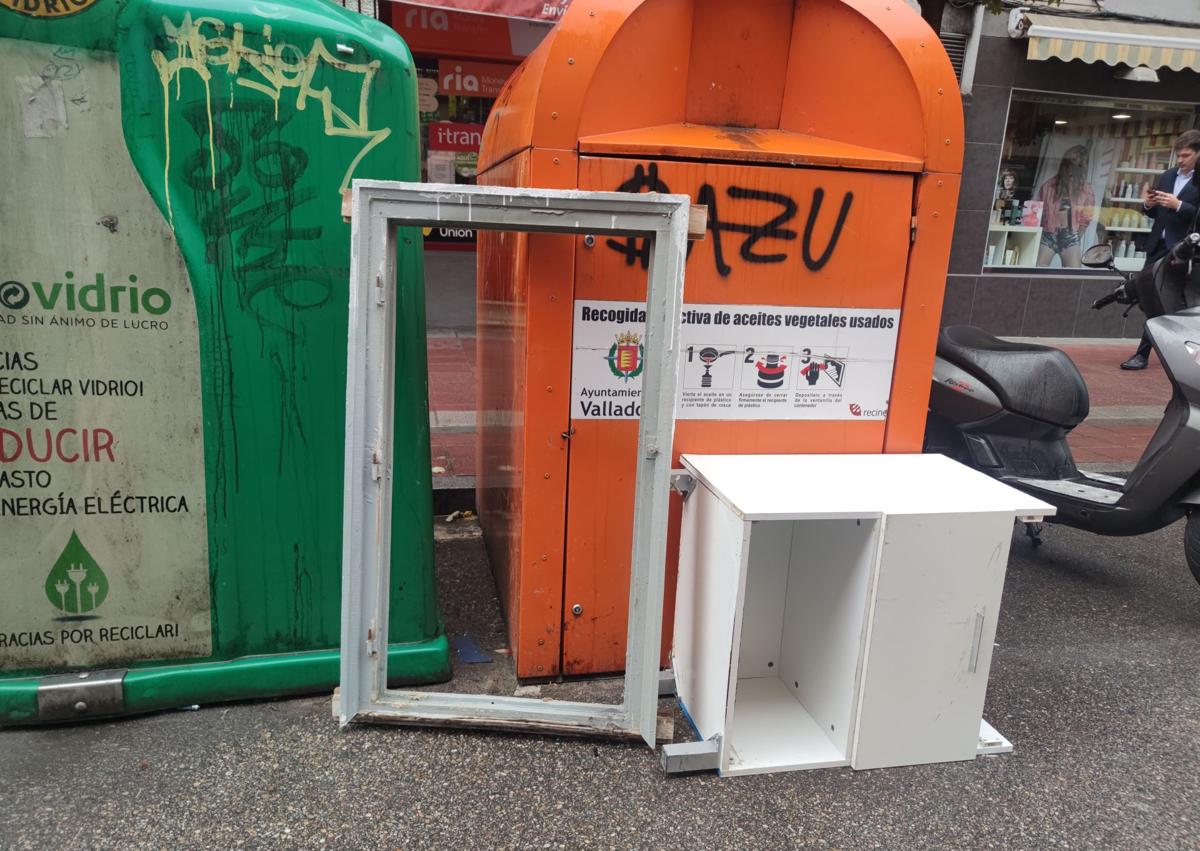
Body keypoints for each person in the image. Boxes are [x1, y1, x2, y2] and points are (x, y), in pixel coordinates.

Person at [1120, 129, 1200, 370]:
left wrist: (1179, 205)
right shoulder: (1167, 176)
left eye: (1186, 155)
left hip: (1181, 250)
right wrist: (1148, 203)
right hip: (1156, 247)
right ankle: (1179, 352)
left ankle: (1144, 354)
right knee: (1149, 300)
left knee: (1170, 304)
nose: (1180, 160)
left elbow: (1195, 216)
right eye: (1178, 155)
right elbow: (1155, 212)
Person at [1035, 145, 1096, 269]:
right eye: (1070, 163)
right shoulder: (1049, 185)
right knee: (1037, 271)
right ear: (1064, 164)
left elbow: (1086, 217)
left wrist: (1077, 235)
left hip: (1070, 235)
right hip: (1048, 234)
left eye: (1077, 165)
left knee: (1073, 276)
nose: (1072, 168)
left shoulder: (1085, 189)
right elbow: (1038, 210)